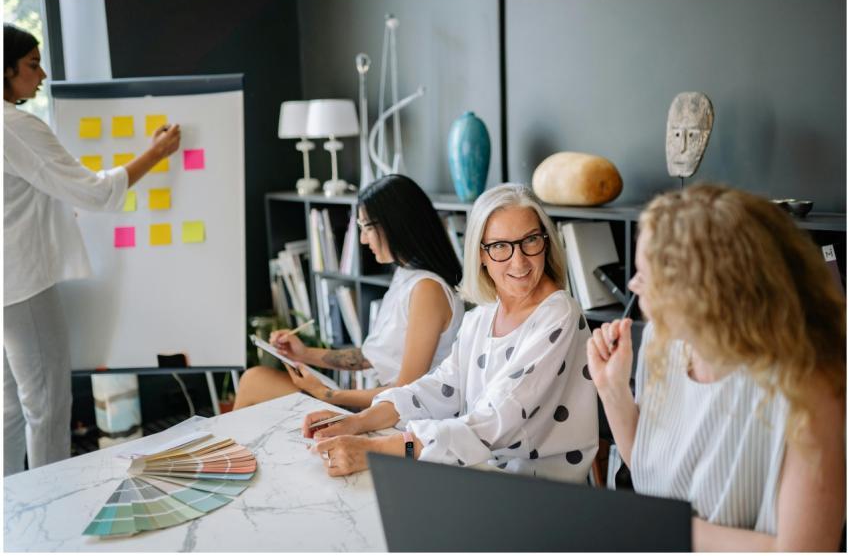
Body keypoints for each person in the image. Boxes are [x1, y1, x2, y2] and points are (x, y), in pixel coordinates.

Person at [587, 184, 845, 551]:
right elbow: (652, 473)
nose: (631, 284)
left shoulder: (812, 387)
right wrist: (612, 390)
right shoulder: (666, 345)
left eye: (647, 274)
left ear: (705, 290)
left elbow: (803, 550)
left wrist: (660, 529)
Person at [302, 183, 598, 482]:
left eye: (530, 240)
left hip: (537, 492)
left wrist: (374, 449)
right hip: (481, 472)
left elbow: (496, 419)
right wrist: (357, 422)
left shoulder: (559, 313)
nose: (519, 260)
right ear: (480, 254)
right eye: (499, 246)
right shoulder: (483, 314)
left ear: (545, 242)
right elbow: (442, 386)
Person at [4, 24, 181, 475]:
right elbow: (96, 193)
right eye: (32, 64)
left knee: (10, 410)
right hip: (21, 284)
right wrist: (155, 153)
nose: (42, 74)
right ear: (5, 70)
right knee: (45, 405)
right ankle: (52, 509)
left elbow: (26, 194)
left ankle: (11, 512)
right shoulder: (17, 126)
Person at [234, 174, 465, 410]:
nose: (363, 239)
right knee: (255, 380)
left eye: (366, 227)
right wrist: (303, 353)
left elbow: (406, 390)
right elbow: (369, 357)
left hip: (399, 418)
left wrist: (329, 395)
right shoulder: (406, 275)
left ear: (394, 225)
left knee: (254, 381)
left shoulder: (428, 290)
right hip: (382, 404)